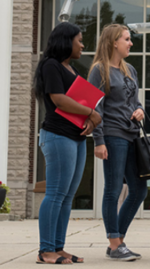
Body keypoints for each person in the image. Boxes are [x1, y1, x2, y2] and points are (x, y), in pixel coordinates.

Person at [33, 22, 101, 265]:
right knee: (55, 193)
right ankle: (45, 250)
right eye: (79, 40)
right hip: (57, 136)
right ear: (66, 40)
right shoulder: (51, 65)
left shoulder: (70, 69)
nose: (82, 45)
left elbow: (80, 106)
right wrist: (91, 112)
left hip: (76, 137)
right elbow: (59, 100)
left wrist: (91, 122)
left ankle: (58, 247)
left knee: (67, 195)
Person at [88, 24, 147, 261]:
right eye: (127, 39)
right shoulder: (98, 70)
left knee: (139, 189)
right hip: (112, 135)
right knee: (112, 189)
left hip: (133, 135)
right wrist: (98, 141)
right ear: (114, 42)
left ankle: (118, 240)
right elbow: (94, 108)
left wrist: (140, 109)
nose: (130, 43)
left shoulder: (129, 69)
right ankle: (114, 244)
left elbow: (136, 101)